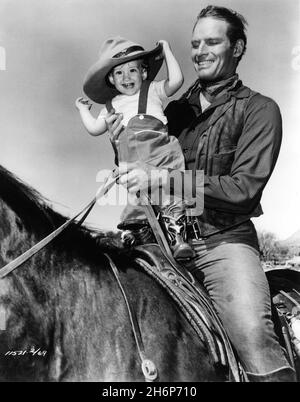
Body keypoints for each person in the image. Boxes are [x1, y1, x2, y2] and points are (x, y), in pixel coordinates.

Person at [107, 6, 296, 382]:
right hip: (157, 242)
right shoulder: (170, 111)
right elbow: (140, 170)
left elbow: (244, 190)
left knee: (252, 335)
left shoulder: (260, 110)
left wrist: (164, 177)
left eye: (212, 41)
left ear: (237, 47)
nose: (200, 51)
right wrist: (121, 143)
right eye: (195, 43)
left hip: (223, 242)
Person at [76, 36, 194, 259]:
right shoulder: (110, 106)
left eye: (132, 70)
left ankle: (178, 237)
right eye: (119, 73)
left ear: (144, 73)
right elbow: (94, 128)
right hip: (132, 163)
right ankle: (142, 236)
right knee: (138, 204)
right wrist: (82, 110)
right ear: (111, 79)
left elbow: (176, 80)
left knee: (168, 194)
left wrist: (167, 49)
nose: (126, 77)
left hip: (159, 154)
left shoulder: (153, 90)